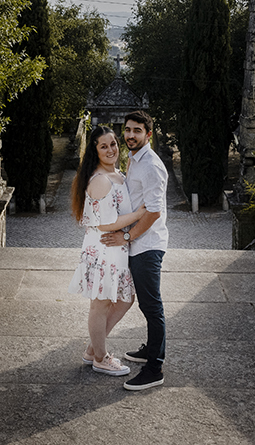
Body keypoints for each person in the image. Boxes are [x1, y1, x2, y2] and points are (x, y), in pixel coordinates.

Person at [68, 125, 148, 377]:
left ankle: (93, 349)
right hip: (103, 249)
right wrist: (139, 214)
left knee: (125, 299)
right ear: (95, 150)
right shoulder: (101, 180)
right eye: (104, 146)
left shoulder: (117, 175)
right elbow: (104, 222)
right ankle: (101, 358)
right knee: (101, 304)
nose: (111, 149)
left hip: (116, 249)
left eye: (113, 144)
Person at [100, 110, 168, 390]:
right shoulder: (134, 159)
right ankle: (149, 350)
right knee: (144, 302)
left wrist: (126, 236)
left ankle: (155, 368)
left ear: (148, 134)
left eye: (137, 130)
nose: (130, 135)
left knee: (152, 306)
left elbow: (153, 212)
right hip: (137, 244)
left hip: (147, 246)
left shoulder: (151, 165)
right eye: (127, 130)